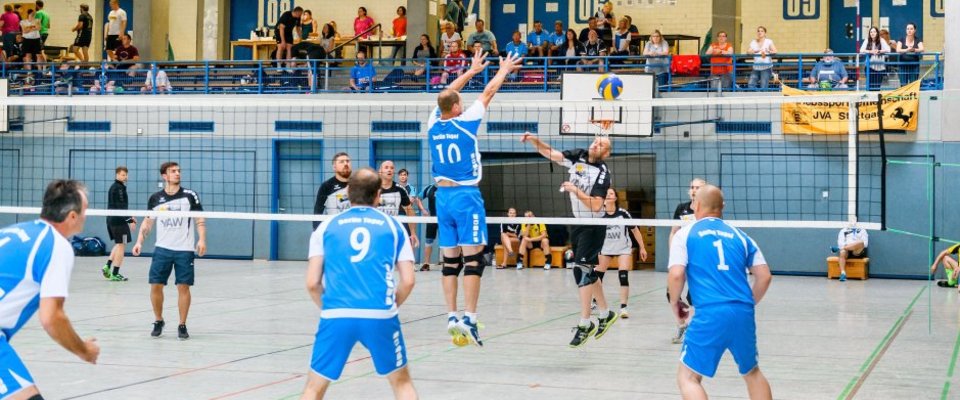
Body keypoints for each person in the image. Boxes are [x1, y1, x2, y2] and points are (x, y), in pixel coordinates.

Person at [429, 50, 523, 346]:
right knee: (474, 259)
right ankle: (469, 318)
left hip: (441, 197)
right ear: (457, 107)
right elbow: (489, 90)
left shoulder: (432, 123)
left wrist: (469, 71)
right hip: (465, 197)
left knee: (449, 262)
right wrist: (504, 69)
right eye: (459, 102)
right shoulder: (466, 120)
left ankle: (451, 317)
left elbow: (447, 94)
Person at [301, 168, 417, 400]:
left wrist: (330, 310)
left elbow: (313, 283)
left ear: (348, 192)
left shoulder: (325, 227)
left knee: (313, 389)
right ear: (378, 195)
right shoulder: (394, 227)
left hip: (336, 314)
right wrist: (390, 305)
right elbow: (408, 280)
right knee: (402, 384)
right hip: (380, 314)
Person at [668, 184, 773, 400]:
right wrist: (747, 304)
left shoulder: (685, 235)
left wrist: (675, 302)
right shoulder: (742, 237)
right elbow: (764, 276)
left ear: (696, 205)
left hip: (710, 313)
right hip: (742, 311)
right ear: (722, 206)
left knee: (688, 377)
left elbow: (677, 275)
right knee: (752, 372)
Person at [0, 180, 100, 399]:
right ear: (73, 216)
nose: (86, 216)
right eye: (85, 211)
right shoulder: (56, 246)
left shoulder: (15, 231)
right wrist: (84, 350)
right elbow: (52, 317)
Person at [520, 133, 618, 348]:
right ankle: (605, 313)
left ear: (606, 153)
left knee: (580, 270)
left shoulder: (602, 174)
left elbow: (596, 206)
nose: (595, 144)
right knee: (589, 272)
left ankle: (585, 323)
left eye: (601, 144)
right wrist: (535, 140)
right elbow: (551, 153)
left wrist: (575, 190)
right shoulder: (578, 156)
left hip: (594, 224)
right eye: (595, 140)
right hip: (578, 222)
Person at [132, 162, 207, 340]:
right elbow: (148, 222)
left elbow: (200, 219)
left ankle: (182, 324)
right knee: (156, 285)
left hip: (184, 249)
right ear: (164, 176)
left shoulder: (190, 195)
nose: (177, 174)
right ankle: (158, 320)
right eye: (173, 171)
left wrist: (202, 239)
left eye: (179, 171)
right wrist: (139, 242)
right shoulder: (156, 198)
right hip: (162, 249)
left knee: (183, 286)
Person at [598, 189, 647, 319]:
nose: (608, 195)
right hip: (606, 248)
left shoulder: (623, 213)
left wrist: (642, 247)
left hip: (623, 249)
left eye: (611, 194)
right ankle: (594, 301)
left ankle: (623, 307)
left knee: (623, 276)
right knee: (597, 277)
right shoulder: (599, 214)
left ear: (615, 198)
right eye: (606, 193)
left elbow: (635, 230)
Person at [669, 177, 704, 343]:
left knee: (693, 297)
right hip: (682, 256)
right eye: (692, 187)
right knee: (672, 294)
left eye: (698, 187)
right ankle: (682, 325)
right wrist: (673, 253)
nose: (694, 190)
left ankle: (695, 327)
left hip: (699, 258)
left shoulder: (706, 209)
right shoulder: (681, 208)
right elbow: (674, 231)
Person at [376, 160, 418, 249]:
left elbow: (410, 211)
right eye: (386, 167)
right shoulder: (372, 188)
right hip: (377, 230)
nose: (389, 170)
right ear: (380, 171)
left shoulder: (400, 189)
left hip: (394, 230)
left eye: (392, 168)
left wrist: (413, 233)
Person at [104, 166, 136, 281]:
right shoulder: (119, 188)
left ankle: (107, 266)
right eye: (123, 174)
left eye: (126, 174)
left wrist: (129, 217)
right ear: (117, 175)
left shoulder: (115, 187)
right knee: (122, 245)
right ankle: (115, 273)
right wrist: (130, 220)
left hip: (112, 220)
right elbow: (120, 207)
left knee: (119, 244)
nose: (125, 176)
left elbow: (120, 207)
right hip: (119, 222)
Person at [313, 152, 352, 230]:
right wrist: (316, 230)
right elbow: (318, 210)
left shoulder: (358, 184)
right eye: (341, 162)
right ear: (334, 167)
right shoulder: (327, 186)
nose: (345, 164)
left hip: (353, 228)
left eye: (347, 161)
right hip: (335, 229)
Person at [860, 26, 890, 91]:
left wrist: (879, 51)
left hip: (880, 67)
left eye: (874, 32)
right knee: (870, 86)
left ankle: (876, 100)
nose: (872, 33)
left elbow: (888, 49)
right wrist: (870, 51)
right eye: (871, 32)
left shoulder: (881, 40)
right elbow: (861, 50)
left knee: (877, 87)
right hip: (869, 67)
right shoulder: (867, 40)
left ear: (877, 33)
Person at [419, 182, 438, 271]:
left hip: (445, 220)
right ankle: (426, 263)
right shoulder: (430, 187)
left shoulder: (448, 187)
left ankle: (449, 263)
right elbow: (418, 198)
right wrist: (423, 210)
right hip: (432, 219)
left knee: (447, 241)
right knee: (428, 241)